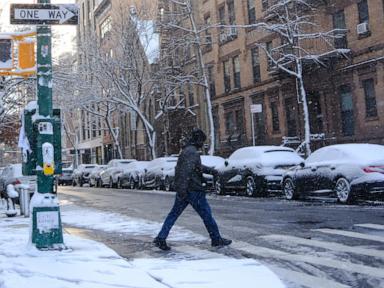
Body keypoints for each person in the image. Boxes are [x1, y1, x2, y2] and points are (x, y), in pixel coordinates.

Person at [153, 128, 232, 251]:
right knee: (207, 215)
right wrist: (184, 190)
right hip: (193, 190)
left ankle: (161, 238)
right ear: (198, 140)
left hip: (185, 190)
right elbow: (186, 172)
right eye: (202, 141)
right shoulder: (192, 152)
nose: (203, 144)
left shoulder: (188, 150)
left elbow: (196, 167)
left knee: (173, 215)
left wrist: (212, 171)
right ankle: (216, 239)